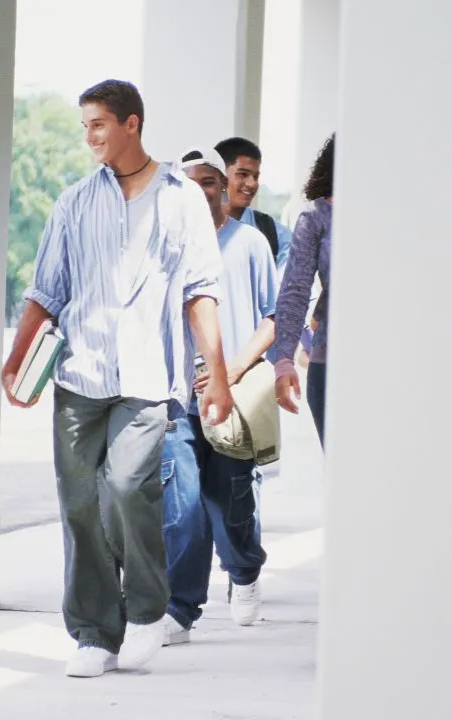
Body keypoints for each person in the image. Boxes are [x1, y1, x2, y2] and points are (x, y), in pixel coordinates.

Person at [0, 80, 233, 679]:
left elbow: (201, 291)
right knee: (79, 505)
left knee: (129, 489)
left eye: (98, 123)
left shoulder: (181, 199)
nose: (89, 136)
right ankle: (94, 633)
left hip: (147, 375)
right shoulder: (74, 201)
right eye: (84, 125)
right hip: (80, 373)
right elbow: (46, 290)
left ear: (132, 124)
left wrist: (219, 377)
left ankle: (148, 609)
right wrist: (16, 354)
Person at [159, 146, 278, 646]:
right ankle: (181, 608)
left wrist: (230, 371)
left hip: (233, 396)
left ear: (224, 189)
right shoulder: (164, 247)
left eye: (209, 182)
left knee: (229, 503)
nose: (201, 192)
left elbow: (274, 318)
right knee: (182, 506)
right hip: (178, 401)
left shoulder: (249, 243)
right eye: (190, 184)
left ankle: (244, 568)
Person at [273, 134, 334, 446]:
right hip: (332, 361)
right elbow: (295, 290)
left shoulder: (396, 217)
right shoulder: (316, 217)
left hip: (390, 361)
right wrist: (284, 359)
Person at [214, 136, 294, 276]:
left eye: (255, 176)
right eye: (243, 174)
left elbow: (291, 291)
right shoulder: (192, 230)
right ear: (220, 175)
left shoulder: (277, 236)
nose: (252, 184)